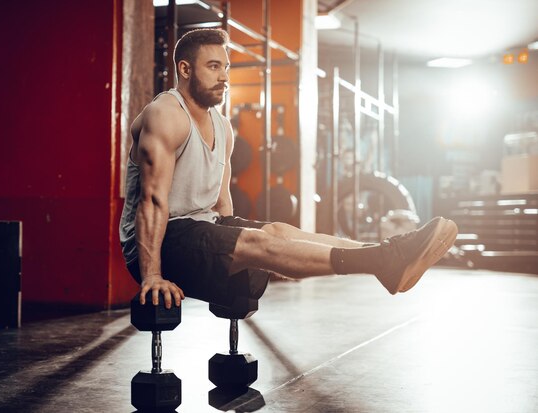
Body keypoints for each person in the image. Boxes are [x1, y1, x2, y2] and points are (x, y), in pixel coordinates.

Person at [120, 28, 458, 309]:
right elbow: (152, 203)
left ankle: (387, 254)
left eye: (226, 67)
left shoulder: (223, 127)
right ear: (185, 69)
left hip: (199, 229)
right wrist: (151, 275)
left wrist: (241, 248)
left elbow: (222, 207)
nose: (224, 77)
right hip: (159, 244)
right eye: (213, 66)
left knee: (278, 232)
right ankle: (383, 261)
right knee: (257, 241)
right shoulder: (166, 113)